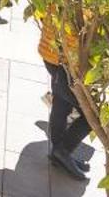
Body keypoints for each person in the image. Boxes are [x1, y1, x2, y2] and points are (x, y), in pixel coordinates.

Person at [39, 13, 91, 179]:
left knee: (61, 103)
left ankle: (59, 155)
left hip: (50, 52)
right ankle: (62, 151)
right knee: (92, 115)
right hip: (66, 60)